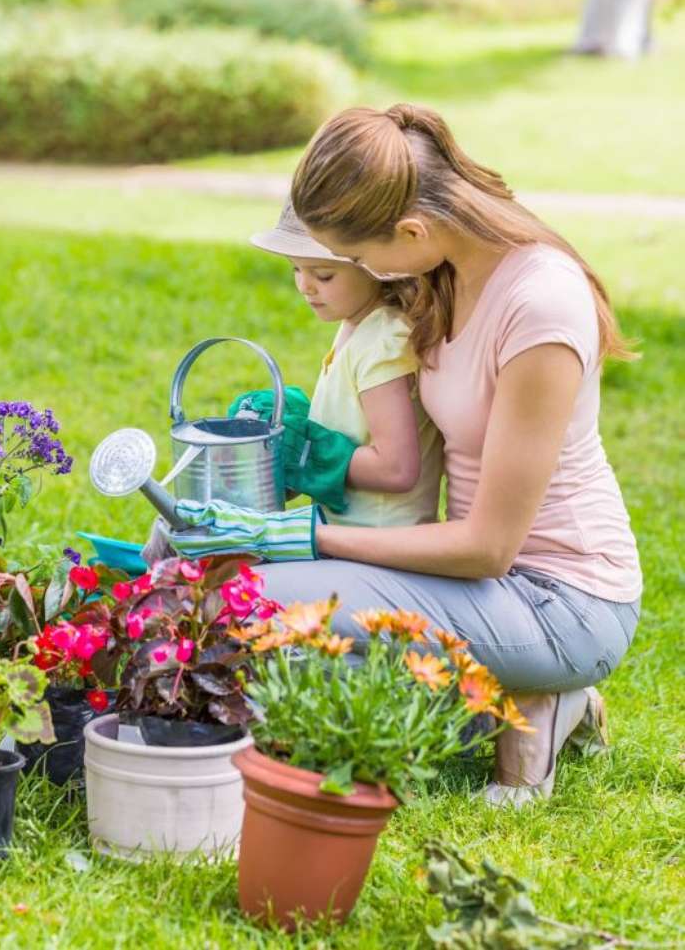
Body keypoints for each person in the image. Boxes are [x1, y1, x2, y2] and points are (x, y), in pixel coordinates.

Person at [165, 103, 642, 806]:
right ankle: (517, 698)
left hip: (560, 598)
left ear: (411, 230)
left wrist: (303, 539)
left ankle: (540, 691)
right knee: (235, 598)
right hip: (479, 587)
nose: (358, 273)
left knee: (245, 605)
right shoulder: (444, 271)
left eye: (358, 258)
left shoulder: (540, 307)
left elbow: (488, 547)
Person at [234, 198, 443, 528]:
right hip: (347, 535)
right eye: (296, 269)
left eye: (324, 275)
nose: (305, 286)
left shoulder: (384, 340)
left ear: (372, 265)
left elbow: (397, 468)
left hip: (384, 547)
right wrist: (293, 422)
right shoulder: (356, 324)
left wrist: (304, 452)